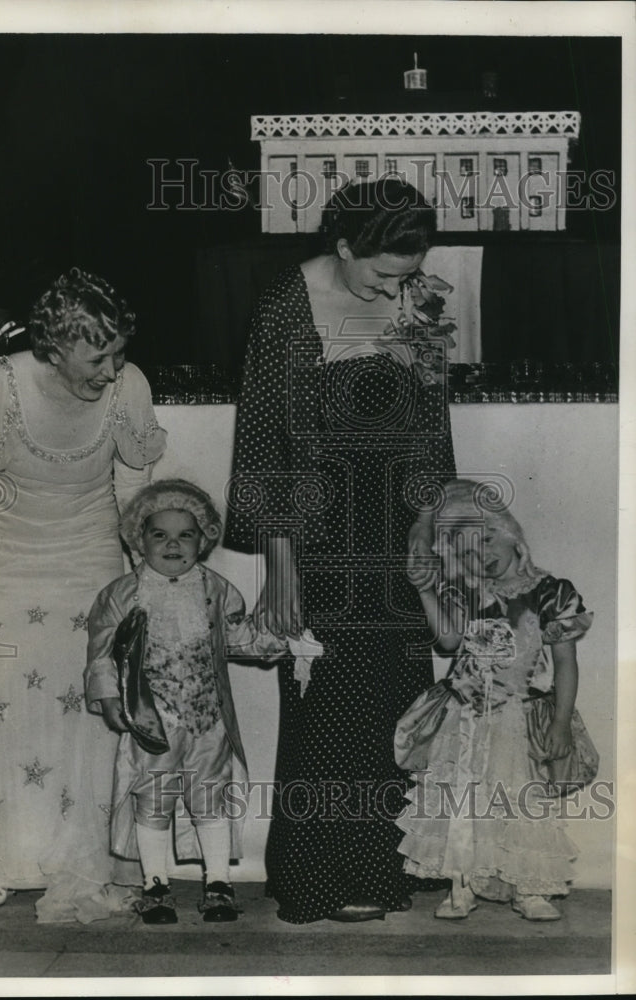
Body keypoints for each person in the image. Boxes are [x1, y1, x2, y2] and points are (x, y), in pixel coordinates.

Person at [223, 178, 457, 923]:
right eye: (382, 271)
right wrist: (279, 567)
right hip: (320, 532)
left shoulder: (415, 298)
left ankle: (379, 867)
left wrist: (427, 528)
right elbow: (266, 441)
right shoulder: (286, 304)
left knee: (395, 694)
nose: (397, 285)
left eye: (406, 272)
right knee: (330, 700)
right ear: (345, 244)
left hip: (396, 529)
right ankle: (315, 877)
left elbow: (429, 426)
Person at [0, 268, 166, 922]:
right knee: (2, 711)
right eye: (98, 357)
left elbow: (133, 493)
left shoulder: (130, 387)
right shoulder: (4, 384)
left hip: (89, 557)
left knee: (87, 714)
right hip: (7, 561)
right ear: (54, 348)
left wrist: (143, 576)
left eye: (119, 352)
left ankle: (83, 857)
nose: (111, 368)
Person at [85, 479, 311, 924]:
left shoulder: (215, 589)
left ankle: (218, 883)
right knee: (153, 799)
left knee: (210, 798)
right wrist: (108, 696)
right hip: (151, 721)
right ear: (139, 539)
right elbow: (101, 652)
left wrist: (280, 641)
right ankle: (155, 885)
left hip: (209, 721)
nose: (173, 545)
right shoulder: (121, 594)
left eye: (185, 535)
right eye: (160, 535)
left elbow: (241, 635)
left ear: (203, 540)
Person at [397, 478, 593, 921]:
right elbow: (448, 642)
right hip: (466, 714)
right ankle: (460, 884)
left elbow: (565, 664)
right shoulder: (468, 594)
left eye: (486, 539)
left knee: (520, 800)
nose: (480, 555)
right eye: (465, 550)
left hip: (520, 716)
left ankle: (528, 887)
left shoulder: (551, 592)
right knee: (463, 799)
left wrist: (560, 723)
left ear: (511, 535)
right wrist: (426, 589)